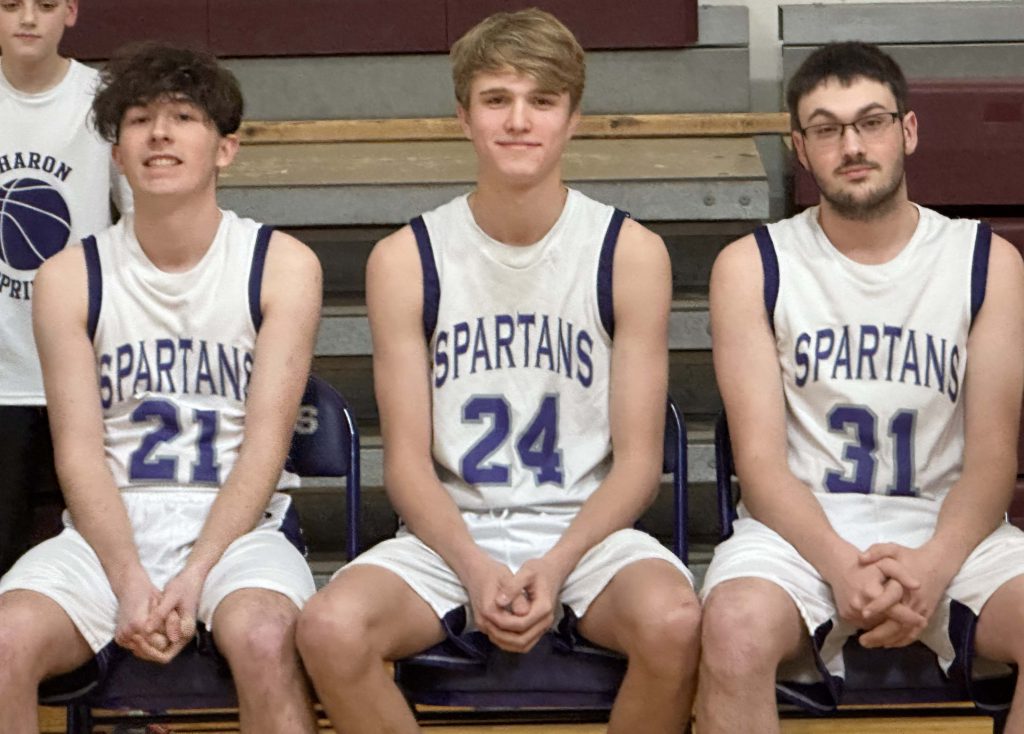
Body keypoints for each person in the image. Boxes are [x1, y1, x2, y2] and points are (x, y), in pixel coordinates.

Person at [297, 8, 699, 733]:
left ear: (572, 118)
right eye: (497, 99)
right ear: (463, 116)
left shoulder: (629, 253)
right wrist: (478, 568)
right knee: (329, 628)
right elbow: (408, 467)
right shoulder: (406, 260)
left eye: (542, 101)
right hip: (450, 537)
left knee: (675, 622)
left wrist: (556, 561)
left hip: (588, 534)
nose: (519, 121)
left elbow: (639, 465)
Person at [698, 41, 1024, 733]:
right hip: (798, 532)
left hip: (947, 527)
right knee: (732, 629)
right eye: (826, 128)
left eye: (871, 121)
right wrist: (841, 566)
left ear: (907, 130)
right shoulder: (752, 266)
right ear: (801, 147)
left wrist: (934, 567)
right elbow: (758, 465)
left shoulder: (986, 262)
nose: (852, 144)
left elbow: (994, 461)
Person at [0, 43, 322, 733]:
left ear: (226, 148)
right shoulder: (69, 276)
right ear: (117, 156)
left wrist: (195, 573)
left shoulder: (281, 265)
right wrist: (128, 580)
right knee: (5, 641)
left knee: (266, 638)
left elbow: (265, 449)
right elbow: (79, 452)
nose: (160, 134)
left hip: (240, 533)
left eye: (183, 117)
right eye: (139, 121)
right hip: (106, 532)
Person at [0, 0, 131, 576]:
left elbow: (140, 224)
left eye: (45, 4)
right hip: (3, 381)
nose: (28, 18)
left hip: (83, 375)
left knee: (81, 565)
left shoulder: (103, 100)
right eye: (10, 5)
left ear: (71, 13)